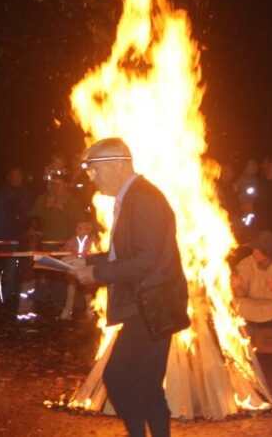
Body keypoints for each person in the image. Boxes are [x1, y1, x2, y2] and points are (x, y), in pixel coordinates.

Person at [71, 138, 187, 437]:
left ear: (118, 163)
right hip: (149, 303)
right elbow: (123, 255)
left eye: (95, 169)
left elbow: (145, 259)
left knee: (118, 377)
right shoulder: (132, 198)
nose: (91, 177)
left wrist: (97, 272)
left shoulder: (144, 199)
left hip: (151, 306)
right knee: (148, 385)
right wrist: (84, 261)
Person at [231, 230, 272, 358]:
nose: (255, 253)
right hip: (250, 301)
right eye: (254, 249)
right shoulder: (246, 264)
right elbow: (241, 293)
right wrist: (237, 286)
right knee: (234, 304)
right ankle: (237, 344)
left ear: (269, 253)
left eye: (259, 250)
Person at [0, 167, 32, 301]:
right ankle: (7, 297)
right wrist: (0, 241)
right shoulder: (3, 195)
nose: (17, 179)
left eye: (19, 176)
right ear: (8, 178)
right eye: (14, 176)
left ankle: (21, 298)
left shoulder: (26, 194)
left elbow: (31, 216)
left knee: (24, 270)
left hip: (24, 238)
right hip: (8, 238)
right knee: (9, 269)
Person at [60, 219, 97, 321]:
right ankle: (68, 310)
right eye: (77, 228)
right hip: (74, 267)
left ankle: (89, 310)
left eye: (80, 228)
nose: (77, 230)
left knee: (87, 289)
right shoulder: (72, 240)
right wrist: (63, 245)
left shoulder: (92, 240)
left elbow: (97, 252)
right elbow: (64, 252)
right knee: (71, 288)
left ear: (88, 230)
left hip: (85, 266)